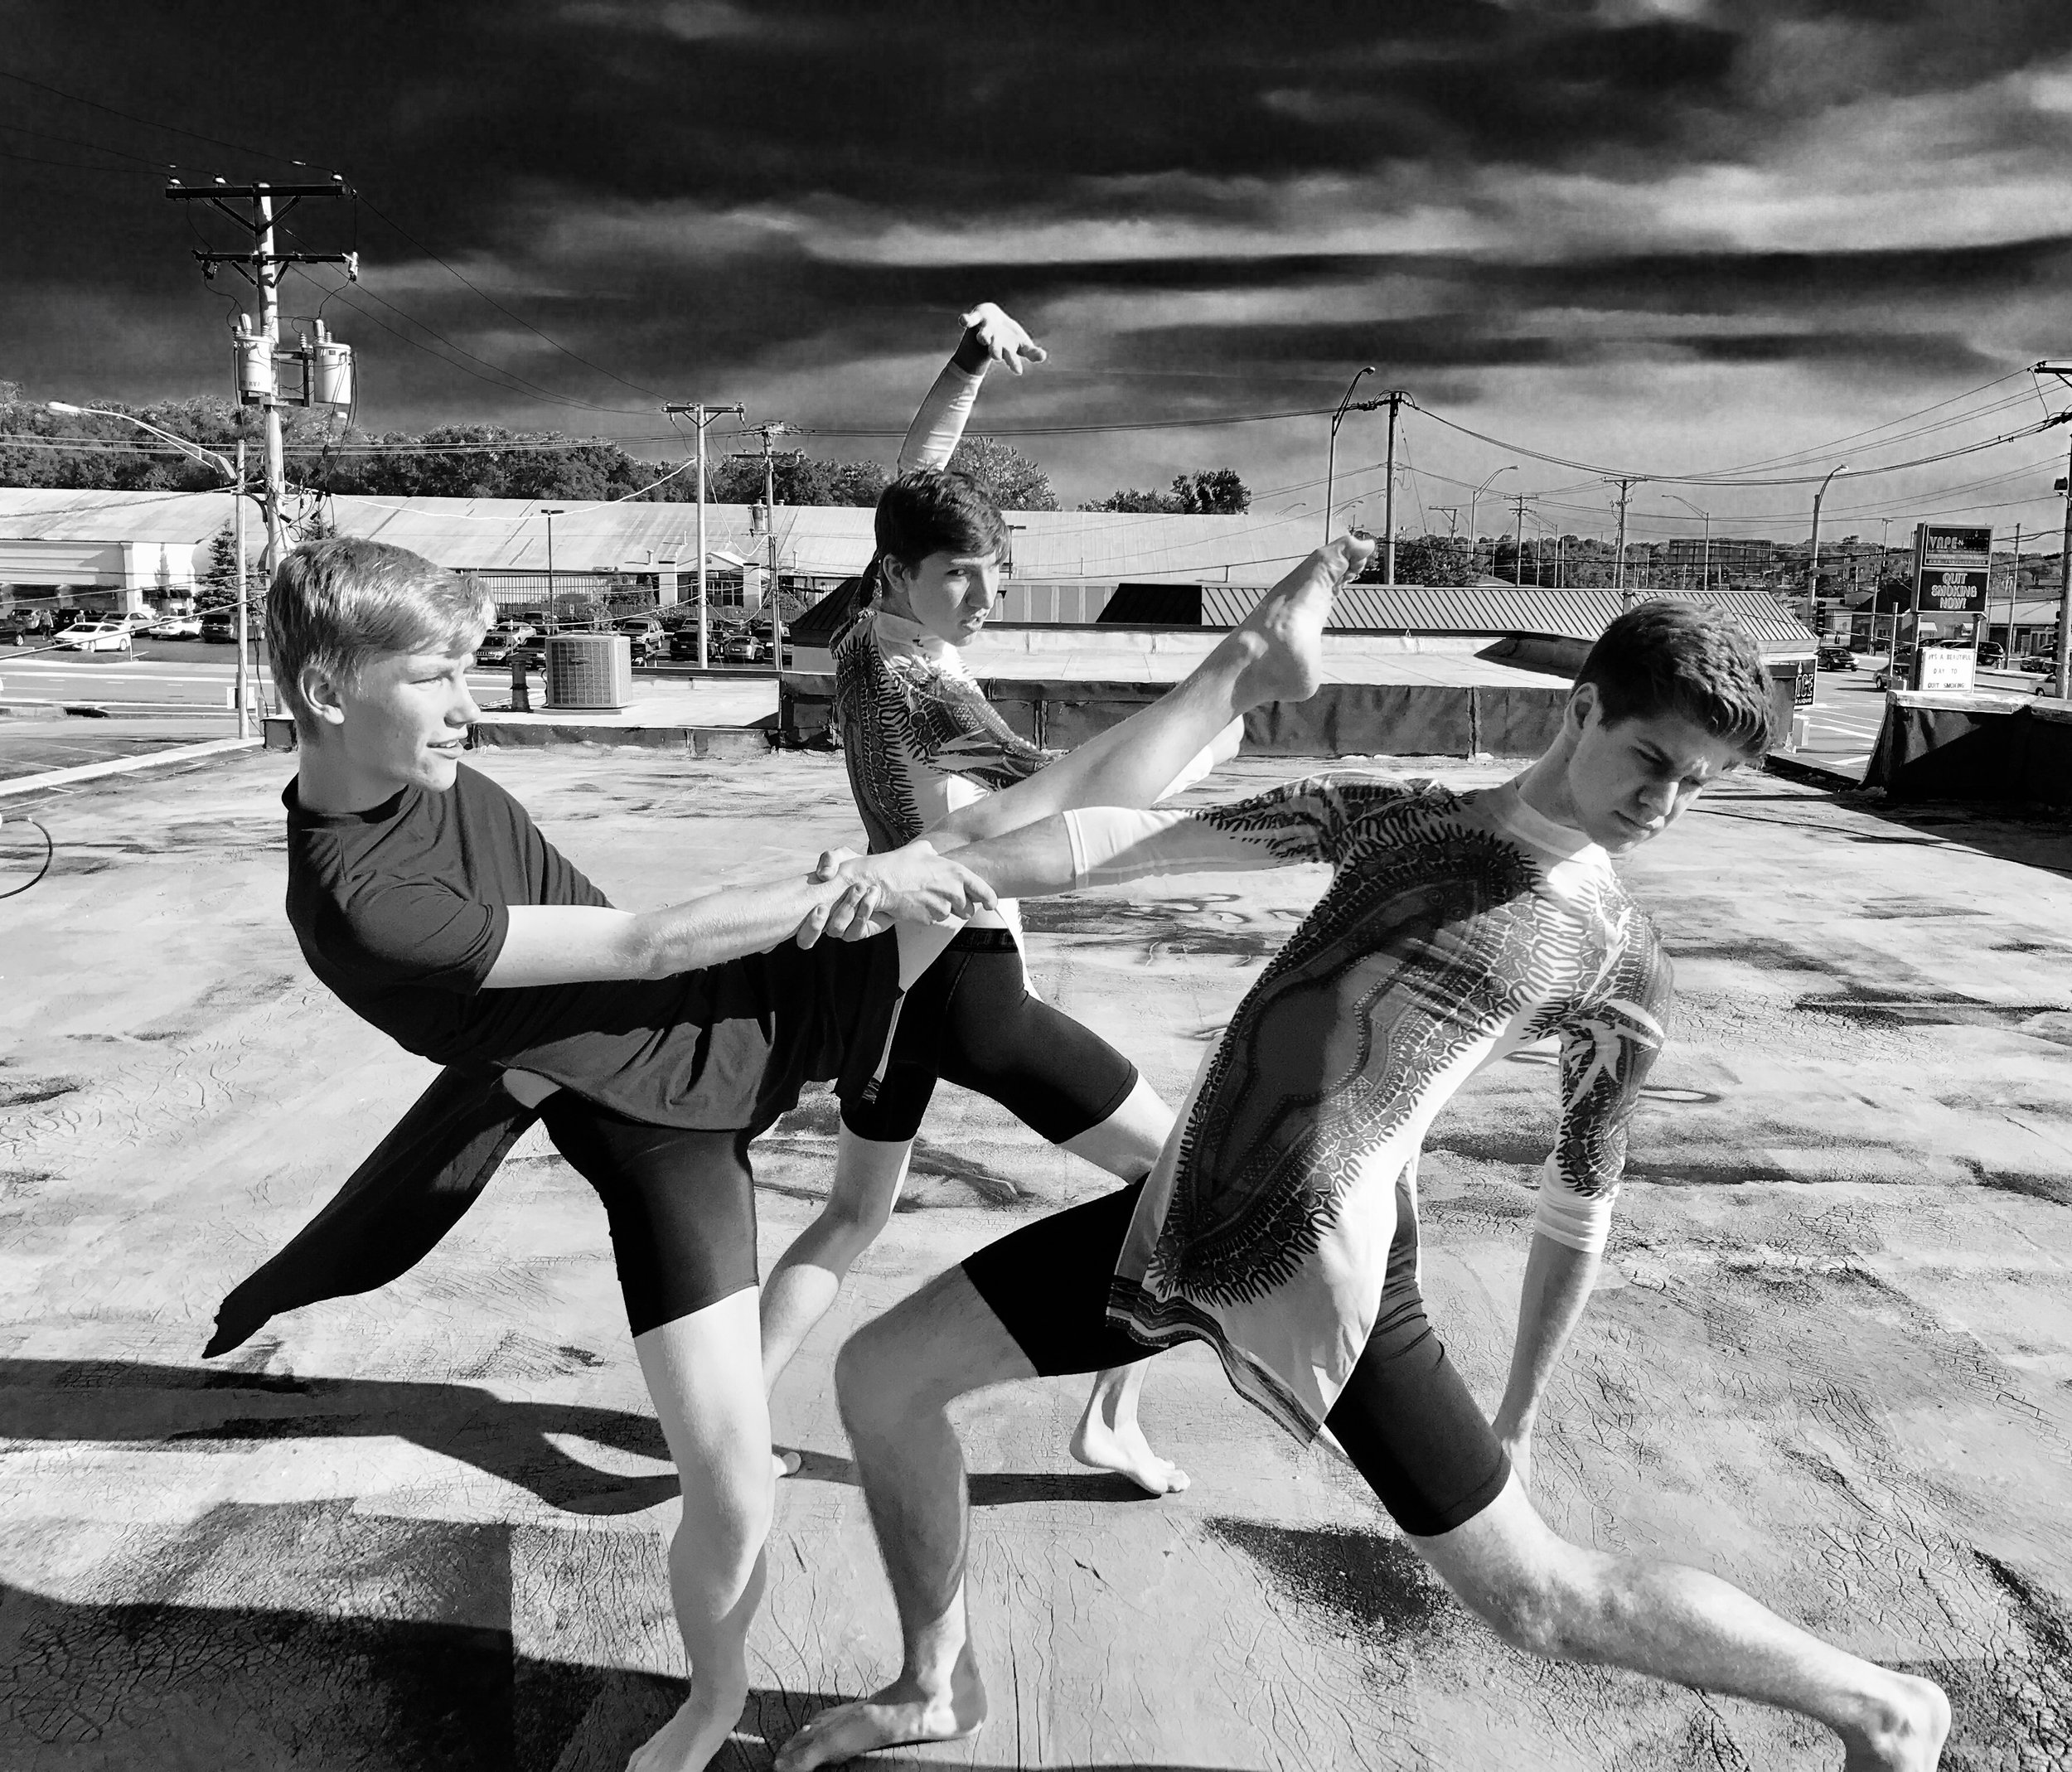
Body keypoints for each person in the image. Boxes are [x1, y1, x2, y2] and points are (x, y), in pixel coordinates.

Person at [777, 602, 1951, 1772]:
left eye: (1698, 783)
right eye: (1653, 759)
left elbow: (1580, 1194)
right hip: (1182, 1221)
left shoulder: (1619, 956)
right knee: (881, 1378)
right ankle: (936, 1683)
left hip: (1326, 1266)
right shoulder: (1398, 817)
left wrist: (1522, 1409)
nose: (1665, 802)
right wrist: (919, 870)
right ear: (1585, 708)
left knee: (1535, 1598)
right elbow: (1133, 842)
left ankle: (1882, 1706)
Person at [259, 529, 1364, 1772]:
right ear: (326, 691)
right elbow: (634, 946)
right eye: (434, 679)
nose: (471, 708)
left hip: (757, 1003)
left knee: (1007, 825)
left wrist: (856, 888)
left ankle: (1242, 674)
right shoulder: (365, 906)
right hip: (651, 1124)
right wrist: (841, 889)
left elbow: (625, 957)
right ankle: (711, 1700)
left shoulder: (418, 771)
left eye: (467, 672)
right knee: (733, 1487)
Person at [762, 303, 1218, 1494]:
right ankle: (1108, 1418)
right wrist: (1220, 723)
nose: (983, 594)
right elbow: (1073, 784)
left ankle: (725, 1415)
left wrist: (968, 362)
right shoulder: (924, 685)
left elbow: (913, 480)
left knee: (852, 1214)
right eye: (959, 576)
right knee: (1183, 1188)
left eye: (995, 572)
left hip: (892, 982)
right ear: (904, 574)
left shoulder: (864, 628)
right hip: (970, 986)